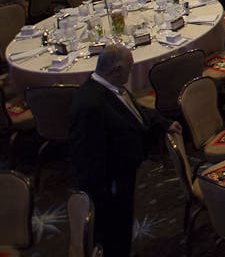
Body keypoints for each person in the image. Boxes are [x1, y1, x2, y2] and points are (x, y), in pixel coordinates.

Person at [71, 44, 182, 257]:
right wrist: (104, 195)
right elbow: (87, 159)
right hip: (110, 184)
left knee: (124, 224)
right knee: (115, 232)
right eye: (129, 67)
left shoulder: (112, 87)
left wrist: (163, 123)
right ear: (116, 70)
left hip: (125, 173)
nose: (131, 71)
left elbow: (134, 111)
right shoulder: (89, 105)